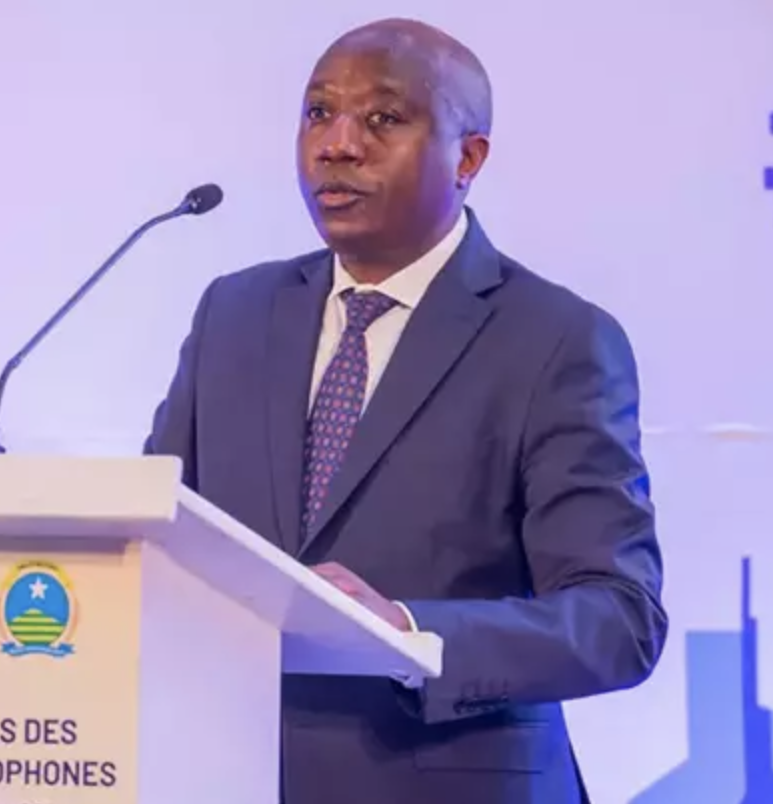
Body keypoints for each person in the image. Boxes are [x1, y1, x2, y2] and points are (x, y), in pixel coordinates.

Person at [143, 17, 668, 804]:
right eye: (319, 112)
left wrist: (407, 633)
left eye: (383, 118)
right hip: (228, 775)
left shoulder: (556, 340)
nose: (337, 145)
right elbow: (159, 543)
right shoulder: (235, 313)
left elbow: (618, 619)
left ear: (468, 158)